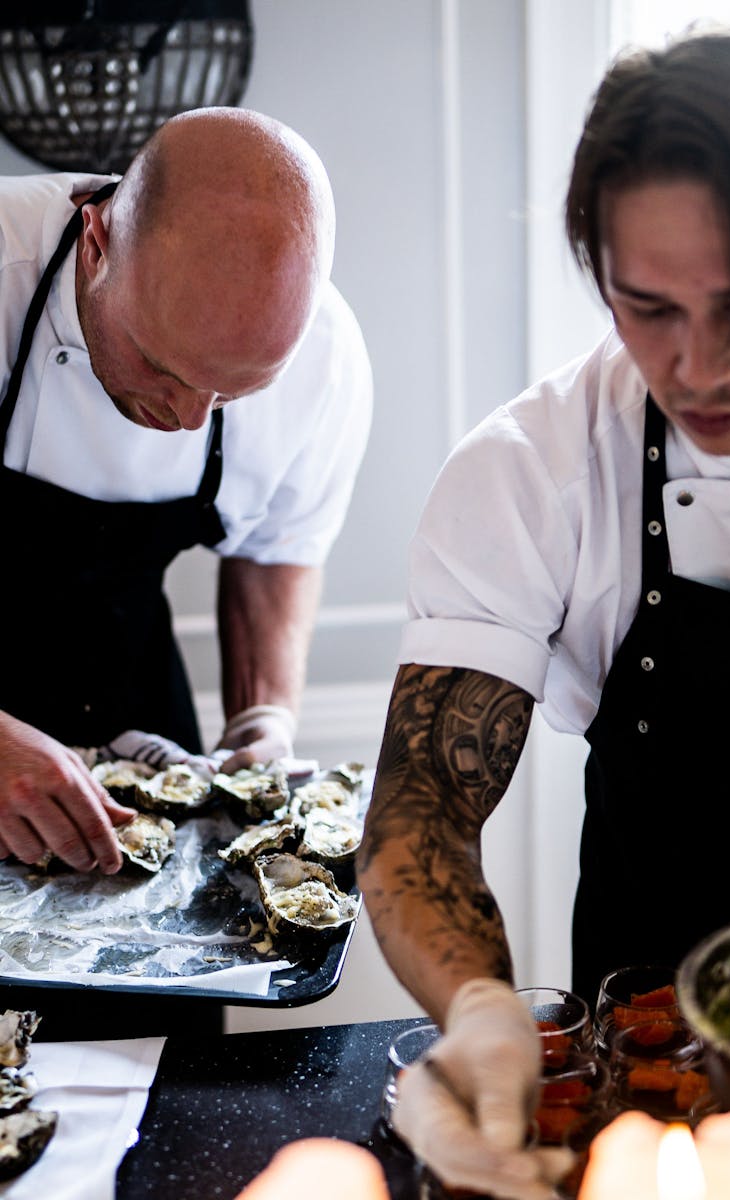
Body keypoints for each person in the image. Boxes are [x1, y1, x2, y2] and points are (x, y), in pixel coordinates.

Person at [358, 24, 730, 1199]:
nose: (696, 365)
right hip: (650, 1104)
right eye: (644, 305)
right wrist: (481, 1012)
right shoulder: (532, 467)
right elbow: (421, 814)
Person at [0, 106, 371, 1035]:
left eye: (234, 390)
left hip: (129, 690)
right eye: (163, 367)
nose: (190, 417)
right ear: (97, 241)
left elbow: (277, 547)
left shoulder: (323, 358)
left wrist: (263, 718)